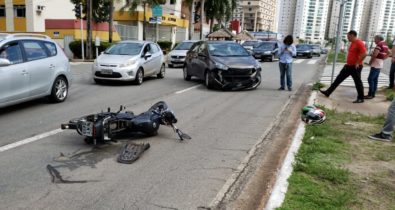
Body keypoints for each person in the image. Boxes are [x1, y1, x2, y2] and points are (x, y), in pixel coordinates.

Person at [319, 30, 367, 103]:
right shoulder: (352, 43)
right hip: (348, 66)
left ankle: (361, 98)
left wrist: (357, 63)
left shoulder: (359, 43)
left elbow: (364, 53)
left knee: (358, 82)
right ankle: (328, 92)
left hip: (355, 67)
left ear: (353, 35)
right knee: (338, 79)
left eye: (348, 36)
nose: (347, 38)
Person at [365, 35, 389, 99]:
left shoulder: (379, 44)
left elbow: (375, 55)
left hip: (375, 64)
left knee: (370, 79)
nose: (374, 40)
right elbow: (389, 52)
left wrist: (370, 62)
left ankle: (370, 94)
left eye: (375, 39)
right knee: (375, 80)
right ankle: (373, 94)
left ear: (378, 39)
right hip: (379, 64)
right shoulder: (385, 44)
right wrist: (383, 58)